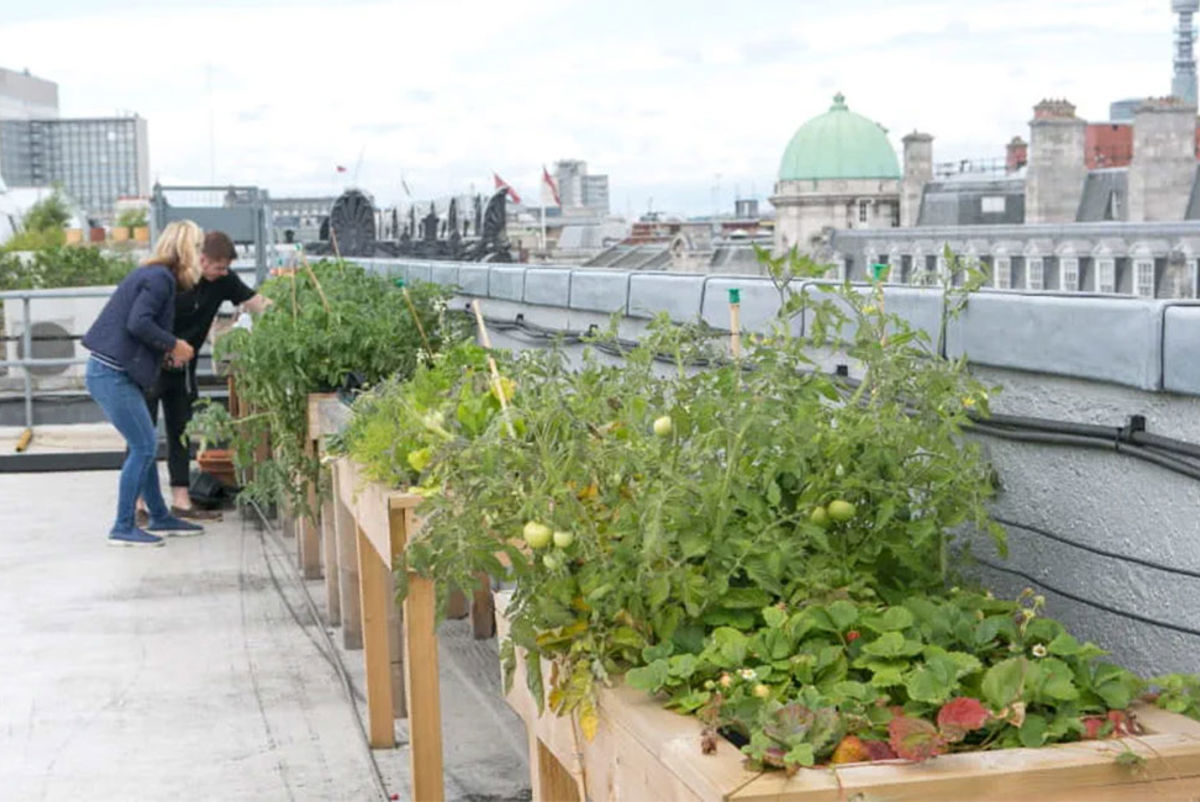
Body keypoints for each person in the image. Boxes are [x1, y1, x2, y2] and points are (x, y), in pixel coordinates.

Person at [82, 221, 207, 546]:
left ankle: (159, 516)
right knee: (144, 446)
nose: (199, 255)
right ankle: (122, 525)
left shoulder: (154, 276)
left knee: (146, 443)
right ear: (185, 249)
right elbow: (139, 322)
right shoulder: (159, 279)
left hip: (112, 371)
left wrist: (164, 353)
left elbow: (136, 327)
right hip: (111, 373)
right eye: (197, 248)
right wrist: (174, 345)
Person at [135, 230, 271, 523]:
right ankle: (138, 503)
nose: (222, 273)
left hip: (183, 369)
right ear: (201, 258)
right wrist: (167, 347)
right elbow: (142, 320)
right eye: (218, 266)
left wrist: (284, 310)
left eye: (226, 268)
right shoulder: (174, 281)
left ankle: (182, 500)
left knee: (180, 433)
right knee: (142, 436)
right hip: (149, 364)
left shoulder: (223, 281)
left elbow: (255, 301)